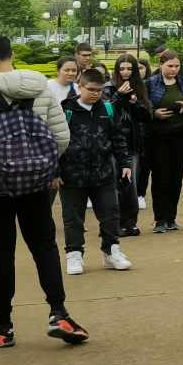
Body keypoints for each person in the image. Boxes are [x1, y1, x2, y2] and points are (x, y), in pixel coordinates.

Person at [0, 34, 88, 348]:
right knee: (45, 247)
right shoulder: (41, 89)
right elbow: (61, 137)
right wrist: (42, 167)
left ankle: (2, 326)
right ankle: (59, 313)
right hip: (38, 186)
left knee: (2, 252)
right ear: (11, 54)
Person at [57, 67, 134, 275]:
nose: (95, 94)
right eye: (90, 89)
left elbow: (118, 137)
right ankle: (74, 254)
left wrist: (125, 163)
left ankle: (111, 251)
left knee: (110, 214)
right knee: (73, 218)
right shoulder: (65, 109)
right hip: (71, 176)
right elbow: (54, 142)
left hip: (103, 174)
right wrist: (55, 171)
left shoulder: (107, 109)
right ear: (79, 86)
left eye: (99, 90)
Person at [144, 50, 183, 232]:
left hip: (180, 136)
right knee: (160, 177)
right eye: (170, 66)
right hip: (158, 137)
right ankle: (159, 219)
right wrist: (154, 113)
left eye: (177, 66)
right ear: (161, 64)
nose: (174, 69)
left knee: (176, 177)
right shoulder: (150, 84)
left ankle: (171, 218)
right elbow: (142, 106)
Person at [109, 55, 149, 235]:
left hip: (132, 143)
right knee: (113, 184)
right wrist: (118, 95)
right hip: (112, 143)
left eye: (129, 69)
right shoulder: (109, 87)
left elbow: (147, 115)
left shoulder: (140, 87)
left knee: (130, 184)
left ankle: (130, 222)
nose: (125, 72)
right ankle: (113, 223)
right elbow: (106, 111)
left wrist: (135, 104)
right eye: (122, 69)